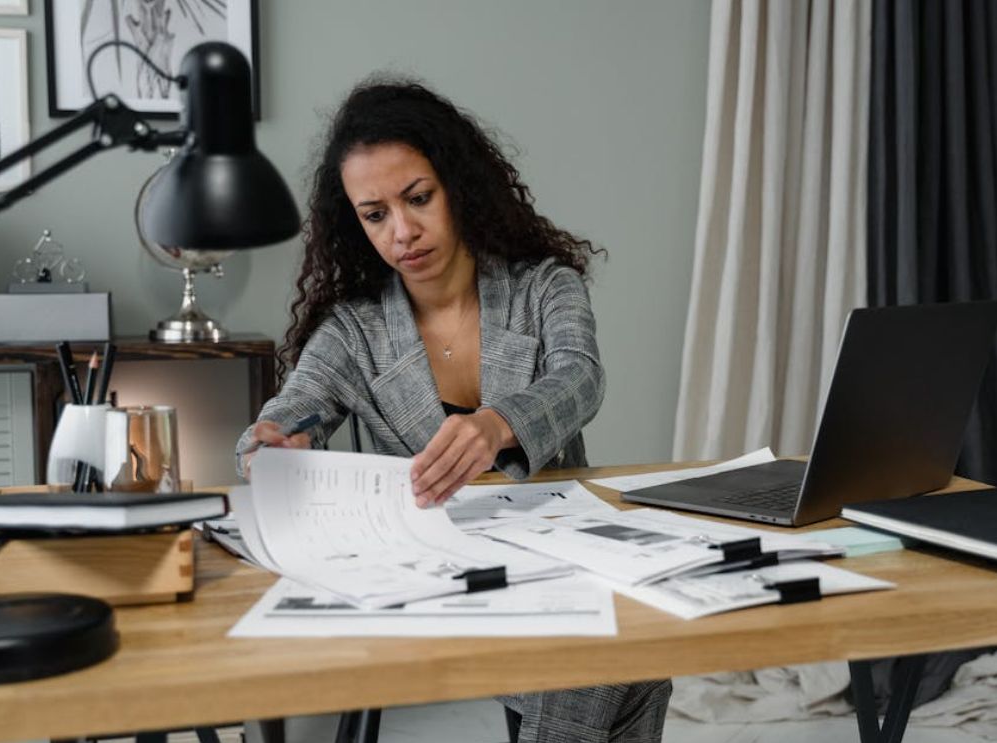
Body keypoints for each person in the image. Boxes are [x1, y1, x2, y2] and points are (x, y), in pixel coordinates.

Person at [236, 78, 671, 743]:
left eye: (418, 198)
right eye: (374, 213)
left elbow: (580, 378)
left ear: (457, 186)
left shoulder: (542, 286)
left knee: (619, 644)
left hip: (557, 547)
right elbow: (295, 405)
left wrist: (498, 422)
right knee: (617, 652)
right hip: (435, 568)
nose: (402, 231)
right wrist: (270, 437)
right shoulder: (354, 329)